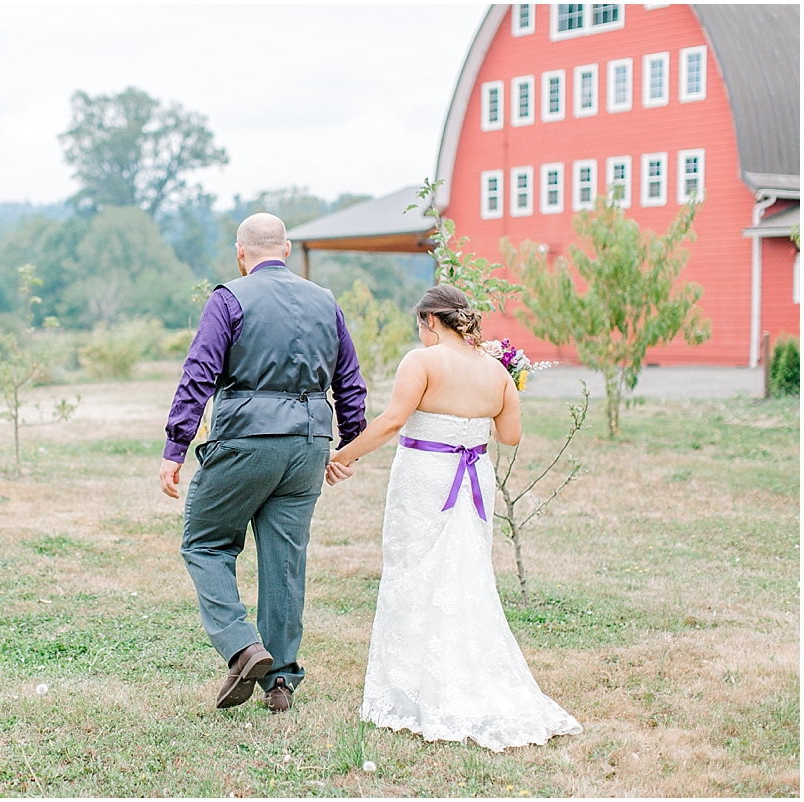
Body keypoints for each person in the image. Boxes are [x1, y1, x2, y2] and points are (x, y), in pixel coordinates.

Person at [326, 284, 582, 751]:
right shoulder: (498, 372)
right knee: (467, 574)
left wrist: (342, 456)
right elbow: (511, 436)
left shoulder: (420, 362)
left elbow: (389, 421)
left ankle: (411, 687)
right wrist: (503, 395)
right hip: (474, 477)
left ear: (430, 321)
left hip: (426, 476)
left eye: (420, 326)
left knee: (414, 570)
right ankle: (465, 677)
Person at [159, 212, 367, 714]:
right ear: (288, 249)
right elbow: (350, 379)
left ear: (240, 253)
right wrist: (349, 443)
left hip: (247, 438)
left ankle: (242, 645)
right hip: (310, 442)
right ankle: (280, 683)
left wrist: (175, 448)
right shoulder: (325, 301)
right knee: (285, 561)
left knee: (205, 542)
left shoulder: (228, 298)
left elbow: (199, 375)